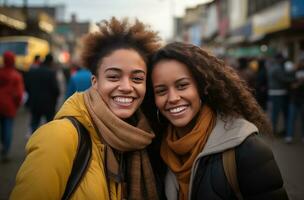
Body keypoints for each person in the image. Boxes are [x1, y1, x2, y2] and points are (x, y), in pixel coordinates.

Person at [10, 17, 162, 200]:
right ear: (95, 82)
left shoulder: (142, 137)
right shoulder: (60, 136)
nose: (127, 87)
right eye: (113, 77)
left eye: (137, 79)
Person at [143, 42, 288, 200]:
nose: (173, 98)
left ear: (201, 87)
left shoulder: (247, 150)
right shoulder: (155, 151)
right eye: (161, 91)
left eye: (182, 85)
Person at [25, 53, 60, 133]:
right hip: (48, 104)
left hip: (35, 102)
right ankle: (48, 141)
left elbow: (27, 85)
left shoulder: (34, 71)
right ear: (51, 62)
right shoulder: (51, 73)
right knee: (50, 125)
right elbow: (55, 89)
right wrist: (55, 100)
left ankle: (32, 141)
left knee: (34, 124)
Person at [0, 51, 24, 162]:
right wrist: (18, 104)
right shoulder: (16, 76)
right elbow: (19, 94)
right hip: (9, 105)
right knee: (8, 127)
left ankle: (2, 145)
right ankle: (6, 150)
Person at [285, 54, 304, 143]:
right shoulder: (292, 72)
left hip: (302, 98)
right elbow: (290, 84)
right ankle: (289, 136)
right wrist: (298, 83)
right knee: (291, 118)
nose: (301, 63)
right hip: (294, 99)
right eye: (301, 61)